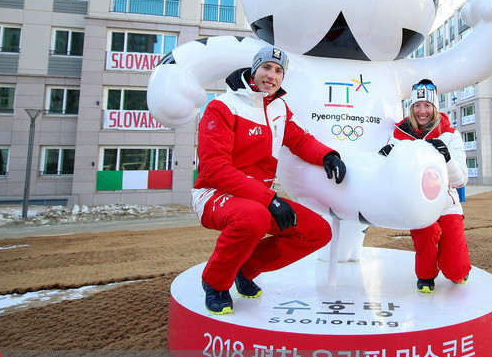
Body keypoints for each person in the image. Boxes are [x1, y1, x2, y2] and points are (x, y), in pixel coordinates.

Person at [192, 45, 346, 315]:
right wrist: (269, 199)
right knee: (254, 218)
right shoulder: (222, 107)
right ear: (254, 69)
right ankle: (214, 282)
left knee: (317, 232)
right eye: (266, 67)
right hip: (215, 193)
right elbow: (215, 169)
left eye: (278, 71)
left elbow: (299, 140)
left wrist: (327, 156)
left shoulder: (278, 107)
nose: (271, 75)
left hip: (259, 198)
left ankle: (245, 268)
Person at [379, 79, 470, 293]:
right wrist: (385, 159)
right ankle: (426, 276)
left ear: (434, 108)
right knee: (426, 236)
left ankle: (456, 266)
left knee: (456, 271)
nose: (422, 111)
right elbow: (389, 175)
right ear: (411, 108)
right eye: (417, 106)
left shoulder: (450, 134)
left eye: (427, 106)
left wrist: (446, 158)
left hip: (447, 204)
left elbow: (461, 180)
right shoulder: (399, 135)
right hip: (417, 202)